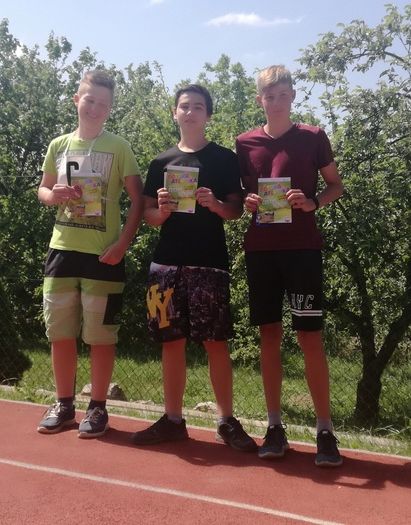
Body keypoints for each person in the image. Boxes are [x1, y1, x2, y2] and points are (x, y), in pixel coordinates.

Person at [130, 84, 257, 452]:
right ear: (175, 112)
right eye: (184, 106)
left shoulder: (223, 159)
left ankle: (226, 421)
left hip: (209, 263)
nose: (190, 112)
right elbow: (149, 217)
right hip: (165, 264)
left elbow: (235, 211)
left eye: (198, 107)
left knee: (216, 342)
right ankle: (173, 420)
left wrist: (215, 204)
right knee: (171, 342)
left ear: (208, 115)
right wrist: (161, 211)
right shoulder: (160, 162)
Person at [236, 65, 344, 467]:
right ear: (259, 100)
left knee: (309, 336)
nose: (276, 102)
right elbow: (243, 194)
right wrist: (248, 201)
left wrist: (313, 202)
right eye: (269, 96)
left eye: (283, 95)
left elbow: (336, 185)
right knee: (269, 336)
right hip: (261, 252)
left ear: (293, 96)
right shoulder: (244, 142)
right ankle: (274, 427)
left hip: (302, 250)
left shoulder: (314, 136)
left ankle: (325, 431)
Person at [36, 70, 144, 439]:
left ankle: (97, 408)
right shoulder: (58, 145)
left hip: (104, 256)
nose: (95, 108)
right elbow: (43, 190)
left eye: (103, 103)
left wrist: (123, 244)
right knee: (60, 333)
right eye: (90, 99)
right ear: (76, 100)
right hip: (62, 251)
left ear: (110, 108)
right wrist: (53, 196)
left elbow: (138, 199)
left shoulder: (119, 147)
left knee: (101, 336)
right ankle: (64, 404)